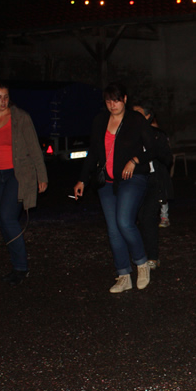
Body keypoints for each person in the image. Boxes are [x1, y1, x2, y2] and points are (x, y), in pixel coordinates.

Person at [73, 82, 155, 293]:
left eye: (116, 100)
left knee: (124, 222)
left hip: (132, 178)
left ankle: (142, 263)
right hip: (106, 182)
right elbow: (93, 152)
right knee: (113, 229)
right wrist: (82, 179)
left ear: (125, 99)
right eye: (109, 101)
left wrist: (135, 160)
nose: (113, 105)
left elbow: (154, 148)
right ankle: (123, 275)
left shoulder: (135, 120)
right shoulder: (100, 121)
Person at [0, 82, 48, 285]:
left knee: (7, 216)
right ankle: (15, 265)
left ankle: (21, 267)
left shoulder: (21, 118)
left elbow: (34, 148)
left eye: (5, 97)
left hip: (17, 174)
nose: (3, 101)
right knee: (3, 221)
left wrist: (41, 176)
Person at [132, 102, 173, 270]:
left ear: (148, 116)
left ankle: (152, 256)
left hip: (153, 181)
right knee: (133, 219)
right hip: (133, 181)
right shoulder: (128, 135)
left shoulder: (157, 136)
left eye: (138, 113)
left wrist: (153, 152)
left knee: (148, 218)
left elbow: (167, 159)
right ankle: (137, 255)